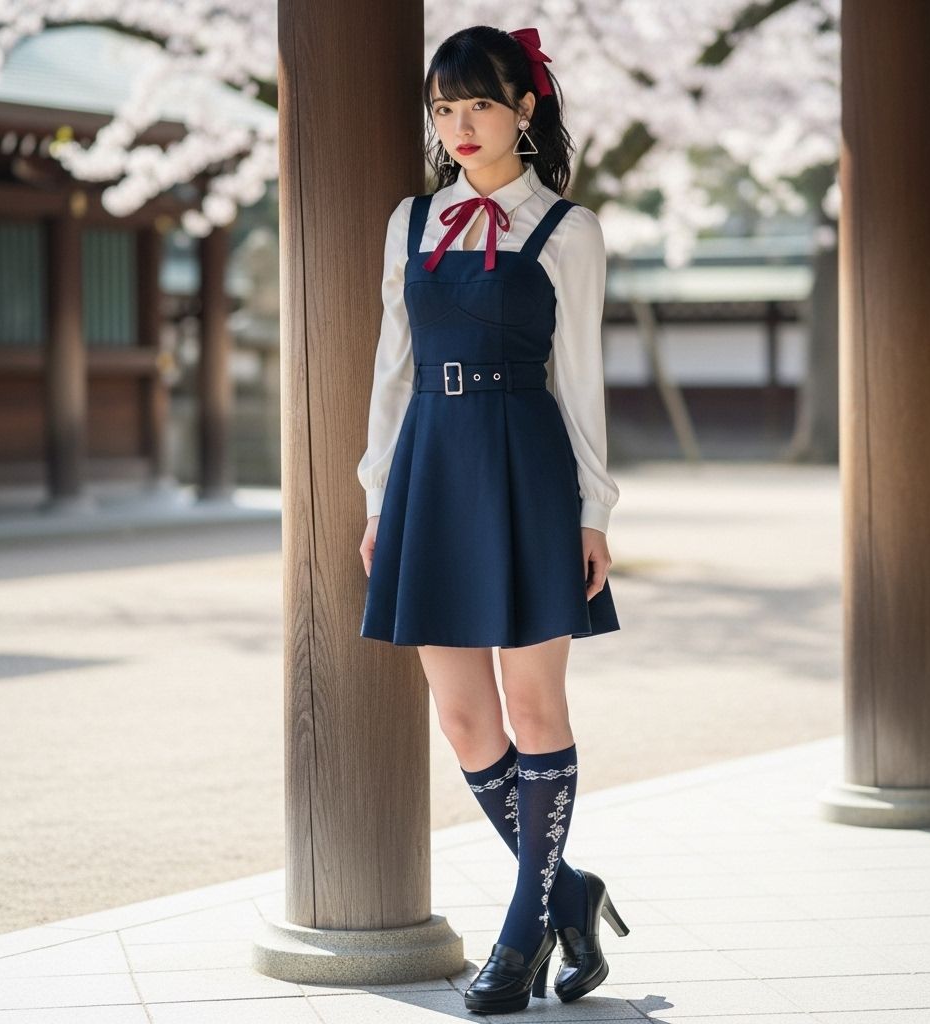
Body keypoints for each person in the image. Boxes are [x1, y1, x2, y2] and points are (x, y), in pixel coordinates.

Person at [356, 24, 629, 1015]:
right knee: (463, 716)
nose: (458, 126)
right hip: (429, 462)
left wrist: (593, 510)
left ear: (525, 107)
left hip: (523, 464)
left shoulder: (569, 230)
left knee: (533, 707)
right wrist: (377, 494)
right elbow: (391, 368)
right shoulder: (411, 221)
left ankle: (522, 931)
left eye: (476, 104)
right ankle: (567, 889)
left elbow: (583, 383)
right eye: (442, 108)